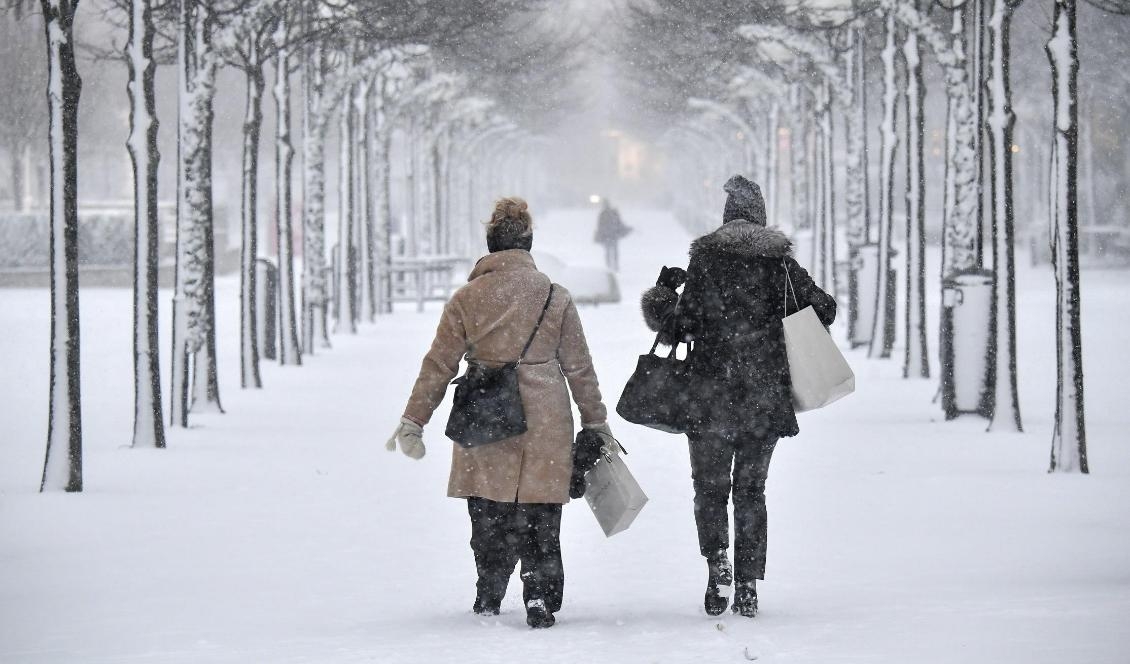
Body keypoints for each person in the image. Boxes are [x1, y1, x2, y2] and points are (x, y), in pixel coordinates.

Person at [387, 196, 615, 629]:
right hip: (545, 417)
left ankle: (489, 590)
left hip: (485, 413)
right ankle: (539, 592)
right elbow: (580, 367)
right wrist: (595, 421)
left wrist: (414, 419)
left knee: (488, 509)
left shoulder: (467, 298)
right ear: (527, 244)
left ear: (490, 246)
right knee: (541, 512)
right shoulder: (554, 295)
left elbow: (440, 363)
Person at [640, 175, 836, 618]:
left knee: (709, 488)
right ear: (762, 219)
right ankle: (747, 584)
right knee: (751, 490)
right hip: (764, 396)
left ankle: (718, 567)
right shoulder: (780, 266)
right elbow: (825, 309)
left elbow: (676, 327)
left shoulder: (706, 263)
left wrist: (665, 292)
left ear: (725, 220)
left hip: (710, 394)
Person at [593, 199, 631, 271]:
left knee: (608, 252)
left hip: (608, 236)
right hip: (613, 236)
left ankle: (610, 266)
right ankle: (614, 266)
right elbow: (619, 223)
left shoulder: (603, 214)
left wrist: (600, 234)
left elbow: (600, 226)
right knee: (614, 251)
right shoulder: (613, 212)